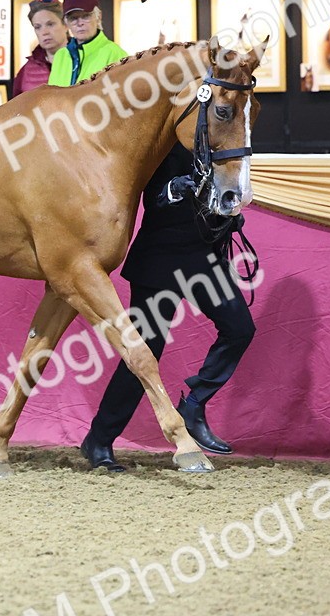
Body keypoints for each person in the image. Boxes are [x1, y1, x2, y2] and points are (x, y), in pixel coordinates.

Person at [80, 143, 256, 472]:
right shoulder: (164, 138)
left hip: (204, 258)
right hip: (160, 257)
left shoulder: (222, 145)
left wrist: (231, 212)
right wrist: (174, 188)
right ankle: (99, 440)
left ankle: (194, 404)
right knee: (146, 351)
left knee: (240, 328)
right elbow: (148, 196)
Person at [47, 0, 128, 88]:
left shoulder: (115, 54)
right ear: (66, 23)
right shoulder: (61, 56)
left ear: (98, 16)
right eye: (73, 18)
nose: (80, 23)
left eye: (85, 16)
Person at [12, 0, 68, 97]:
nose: (44, 32)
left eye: (50, 24)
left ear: (65, 24)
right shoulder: (25, 72)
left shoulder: (83, 60)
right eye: (38, 27)